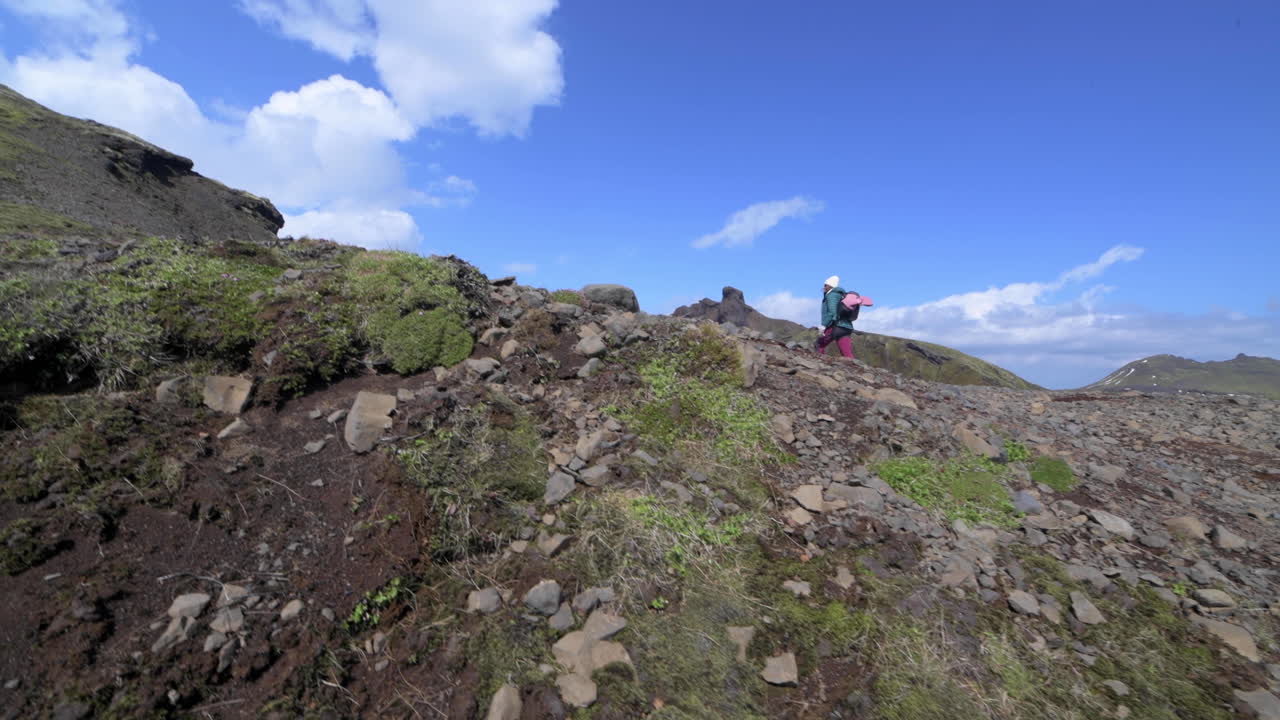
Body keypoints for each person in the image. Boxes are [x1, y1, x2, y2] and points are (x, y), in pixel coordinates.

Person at [816, 275, 855, 358]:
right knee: (847, 354)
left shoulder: (832, 295)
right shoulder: (841, 295)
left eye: (825, 285)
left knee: (819, 344)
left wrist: (823, 326)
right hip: (846, 328)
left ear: (830, 286)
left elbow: (832, 313)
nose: (824, 287)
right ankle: (852, 365)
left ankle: (819, 362)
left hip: (836, 326)